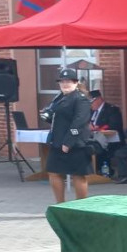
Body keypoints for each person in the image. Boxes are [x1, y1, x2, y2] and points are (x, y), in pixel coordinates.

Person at [45, 68, 92, 203]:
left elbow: (79, 122)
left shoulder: (80, 99)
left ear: (76, 83)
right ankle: (60, 204)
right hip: (57, 141)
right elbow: (57, 117)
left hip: (75, 143)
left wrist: (68, 142)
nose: (65, 84)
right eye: (62, 82)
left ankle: (81, 205)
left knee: (78, 175)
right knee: (54, 172)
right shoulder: (59, 98)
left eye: (68, 82)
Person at [87, 90, 123, 176]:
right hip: (93, 138)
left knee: (98, 147)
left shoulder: (111, 109)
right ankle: (91, 171)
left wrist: (98, 128)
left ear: (99, 100)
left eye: (92, 102)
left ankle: (104, 171)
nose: (90, 105)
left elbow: (115, 125)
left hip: (111, 140)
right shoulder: (90, 111)